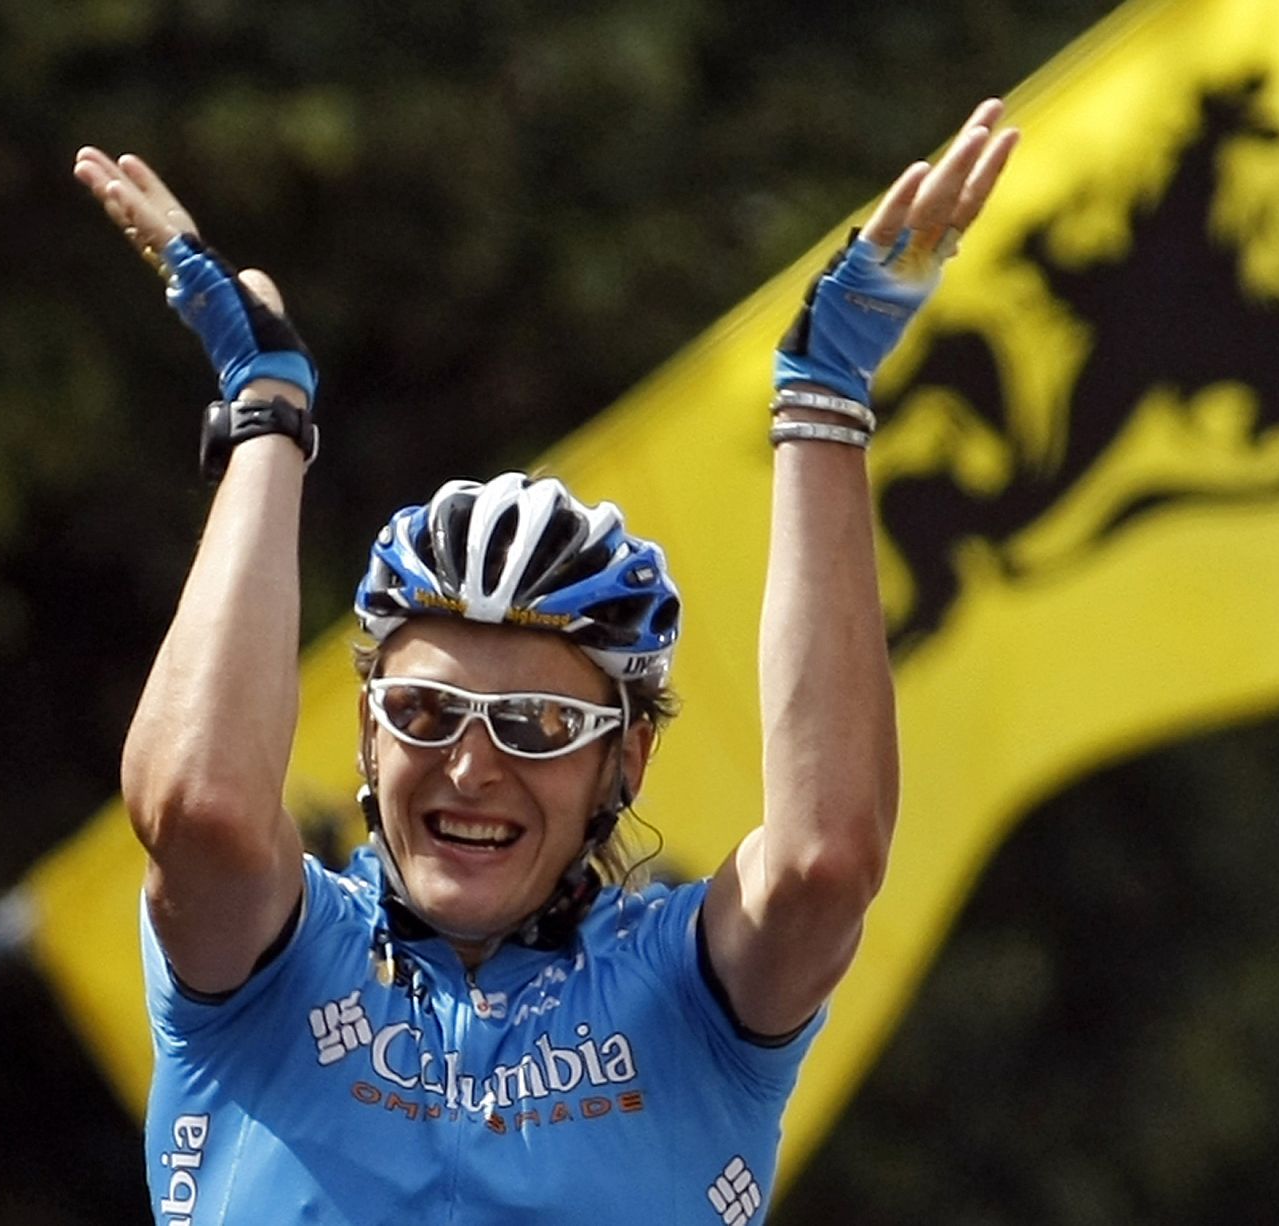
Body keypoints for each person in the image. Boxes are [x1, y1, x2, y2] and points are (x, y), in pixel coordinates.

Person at [74, 98, 1017, 1224]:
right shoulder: (274, 957)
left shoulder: (683, 993)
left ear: (628, 758)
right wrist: (267, 418)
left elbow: (823, 861)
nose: (472, 768)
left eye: (535, 726)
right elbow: (198, 807)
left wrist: (823, 400)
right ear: (368, 732)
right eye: (426, 714)